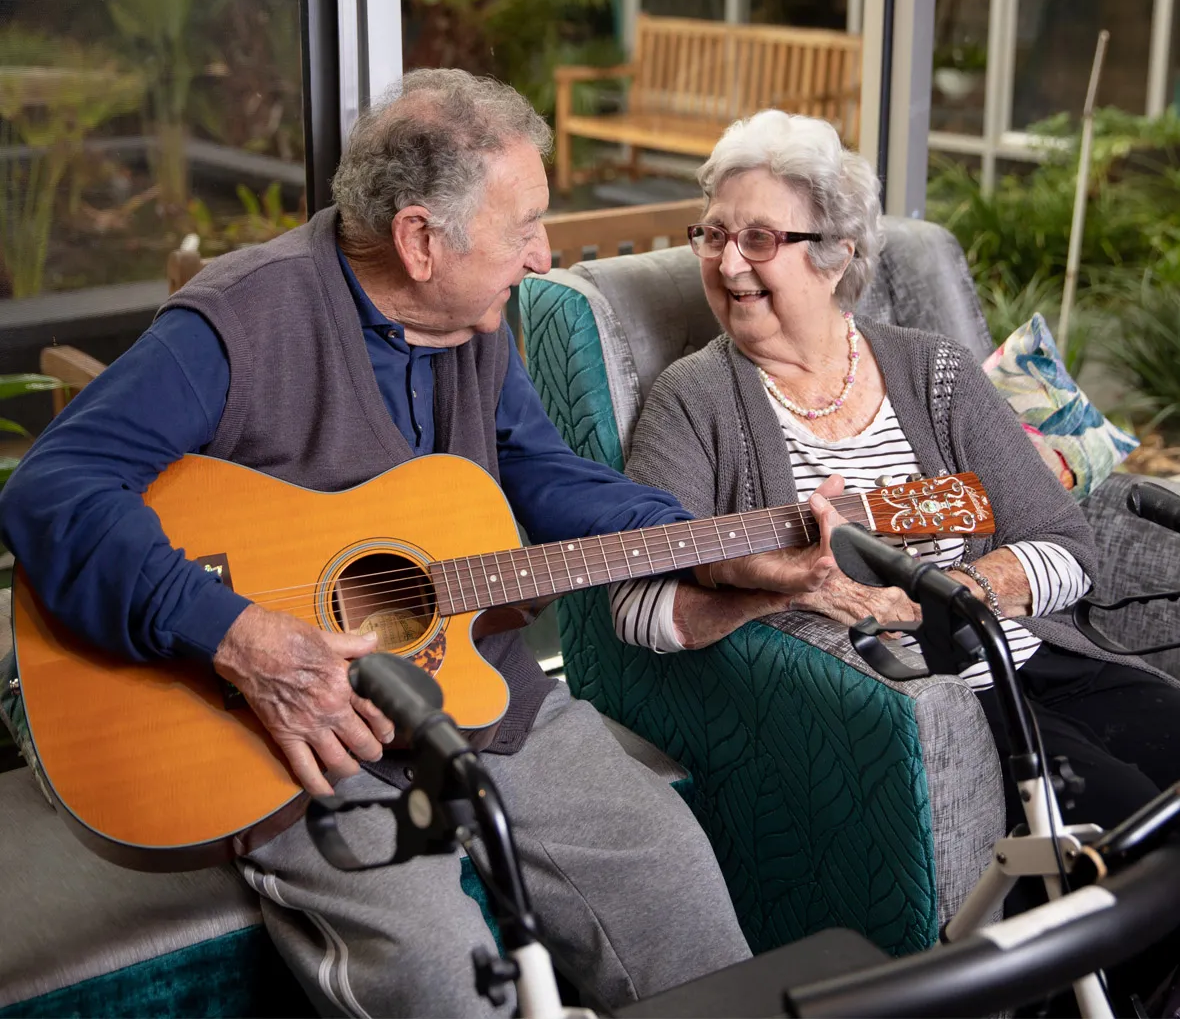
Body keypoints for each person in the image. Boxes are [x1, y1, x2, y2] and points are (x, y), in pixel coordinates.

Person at [0, 72, 846, 1018]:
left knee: (672, 873)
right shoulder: (238, 321)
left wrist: (705, 547)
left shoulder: (472, 320)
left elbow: (545, 473)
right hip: (306, 739)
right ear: (418, 239)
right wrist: (239, 636)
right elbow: (53, 488)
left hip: (481, 694)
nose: (540, 257)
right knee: (439, 979)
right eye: (523, 226)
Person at [610, 107, 1180, 838]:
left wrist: (952, 600)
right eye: (714, 235)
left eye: (758, 239)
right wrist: (777, 590)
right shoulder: (696, 399)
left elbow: (1067, 547)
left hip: (1036, 659)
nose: (726, 264)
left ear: (836, 256)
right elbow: (636, 608)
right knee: (1140, 836)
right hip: (918, 709)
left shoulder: (931, 369)